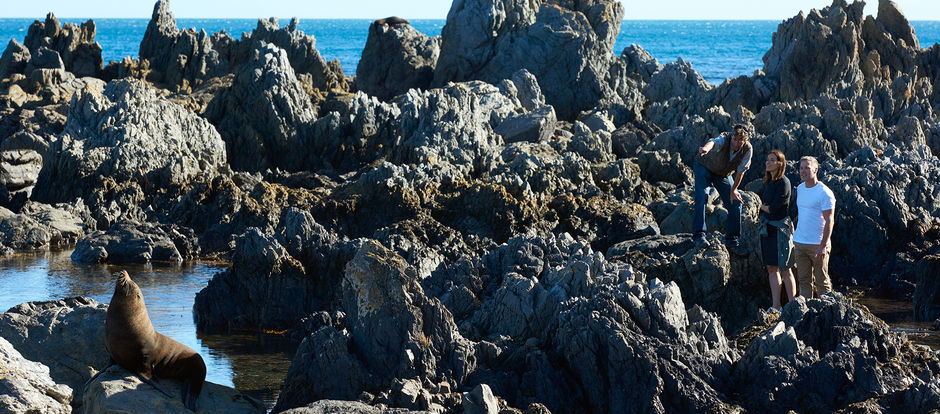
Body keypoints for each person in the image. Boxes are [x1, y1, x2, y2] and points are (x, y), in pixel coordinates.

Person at [692, 124, 753, 255]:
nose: (736, 143)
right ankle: (699, 235)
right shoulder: (725, 138)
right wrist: (705, 149)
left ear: (745, 141)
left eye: (740, 141)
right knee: (702, 196)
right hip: (704, 166)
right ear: (732, 137)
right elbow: (713, 142)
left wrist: (733, 190)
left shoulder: (748, 149)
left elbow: (740, 172)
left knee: (736, 203)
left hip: (723, 174)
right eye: (734, 140)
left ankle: (732, 240)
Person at [793, 156, 836, 298]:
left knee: (822, 282)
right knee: (804, 281)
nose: (803, 171)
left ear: (815, 170)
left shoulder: (824, 193)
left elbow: (830, 221)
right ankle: (806, 314)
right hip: (800, 243)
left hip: (817, 245)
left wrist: (823, 246)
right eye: (801, 168)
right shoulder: (800, 188)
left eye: (807, 168)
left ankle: (828, 313)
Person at [759, 150, 796, 312]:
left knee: (785, 268)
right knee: (771, 268)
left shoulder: (784, 182)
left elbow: (774, 208)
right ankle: (776, 306)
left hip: (781, 230)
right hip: (768, 230)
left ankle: (793, 305)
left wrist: (758, 206)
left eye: (772, 160)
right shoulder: (768, 182)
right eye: (767, 160)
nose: (768, 162)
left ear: (780, 163)